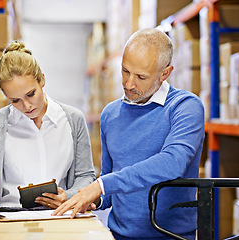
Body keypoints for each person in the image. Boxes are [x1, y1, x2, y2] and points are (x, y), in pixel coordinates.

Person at [53, 28, 205, 240]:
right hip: (118, 236)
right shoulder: (110, 115)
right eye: (125, 71)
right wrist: (90, 199)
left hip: (171, 237)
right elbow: (110, 182)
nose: (129, 84)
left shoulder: (185, 107)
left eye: (141, 77)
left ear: (165, 73)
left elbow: (173, 162)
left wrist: (101, 186)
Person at [0, 40, 96, 220]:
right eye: (15, 100)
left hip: (61, 216)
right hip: (10, 219)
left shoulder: (73, 120)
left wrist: (69, 196)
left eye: (31, 94)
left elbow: (86, 175)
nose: (26, 106)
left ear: (42, 79)